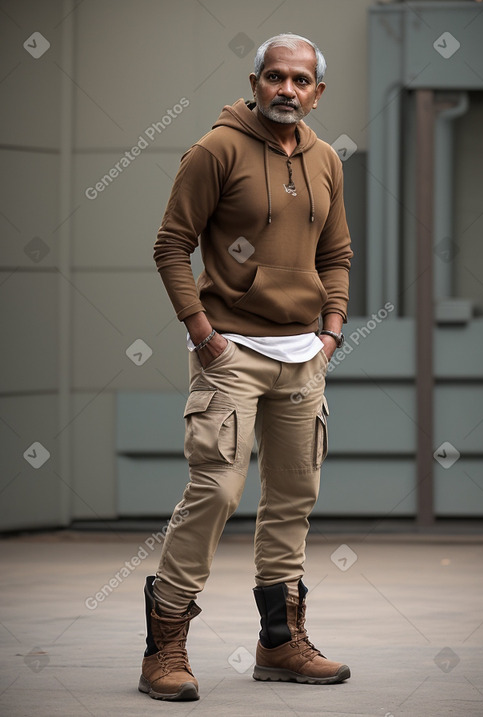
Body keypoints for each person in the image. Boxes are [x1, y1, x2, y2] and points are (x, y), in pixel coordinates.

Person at [139, 32, 353, 702]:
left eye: (301, 81)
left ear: (317, 92)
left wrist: (332, 331)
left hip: (302, 357)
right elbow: (171, 244)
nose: (287, 90)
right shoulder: (217, 149)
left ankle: (281, 641)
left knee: (293, 499)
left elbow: (337, 252)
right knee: (217, 492)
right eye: (275, 77)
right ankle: (163, 647)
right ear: (256, 81)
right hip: (231, 351)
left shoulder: (324, 160)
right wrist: (203, 334)